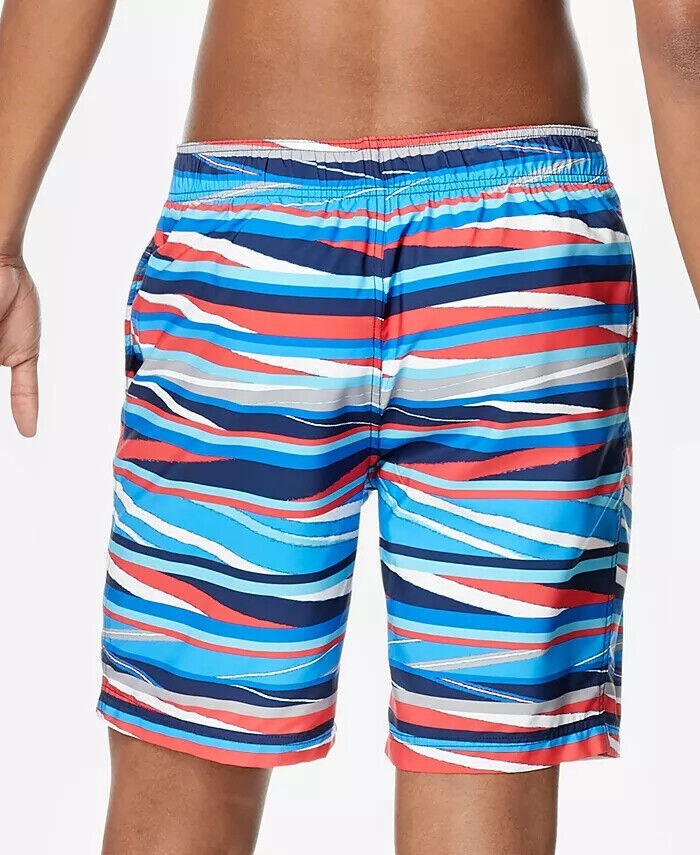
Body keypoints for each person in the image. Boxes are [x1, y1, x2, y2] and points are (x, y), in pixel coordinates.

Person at [0, 1, 697, 853]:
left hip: (255, 259)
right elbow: (682, 34)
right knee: (484, 748)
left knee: (186, 763)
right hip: (517, 265)